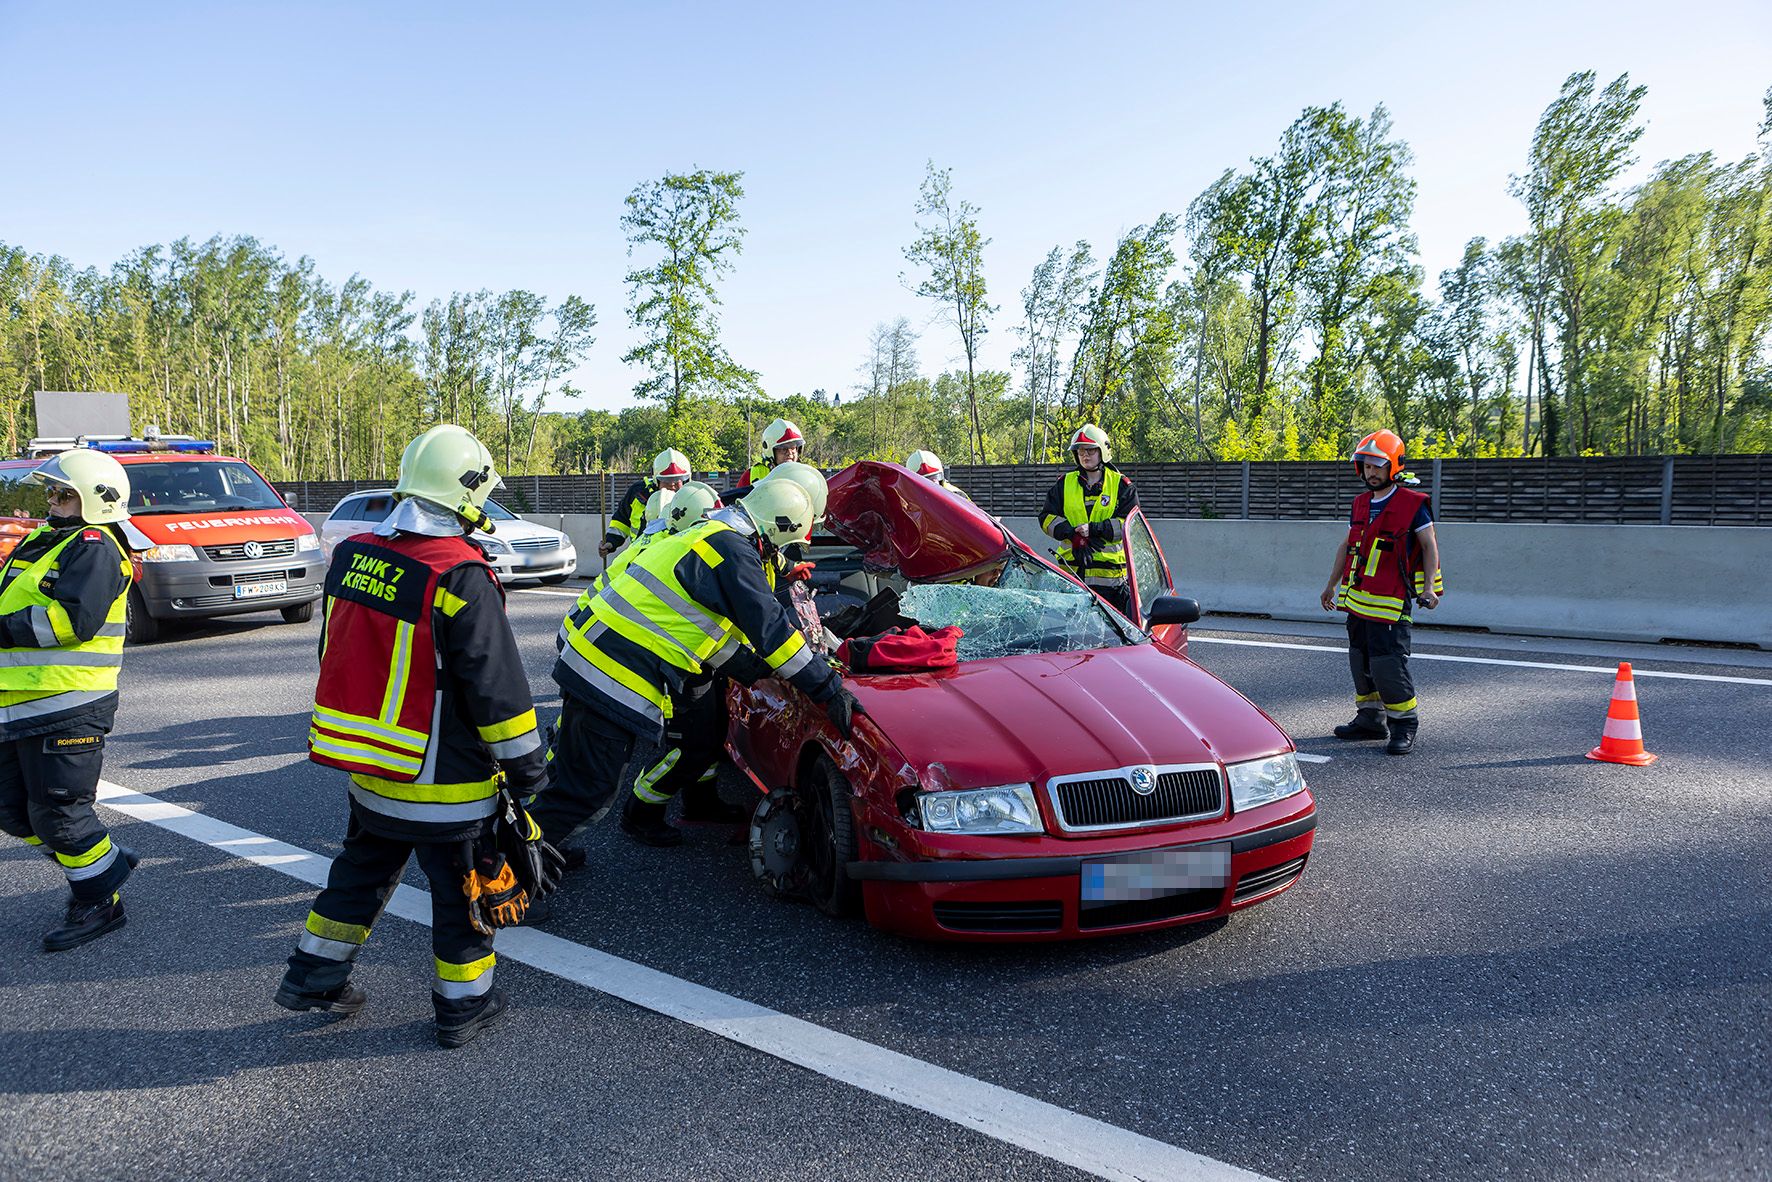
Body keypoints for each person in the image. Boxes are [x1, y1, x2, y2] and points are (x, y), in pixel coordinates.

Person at [276, 424, 547, 1048]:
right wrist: (528, 769)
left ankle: (314, 975)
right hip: (444, 781)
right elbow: (497, 691)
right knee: (462, 894)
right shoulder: (461, 576)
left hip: (372, 766)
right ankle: (464, 1005)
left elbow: (335, 648)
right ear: (467, 494)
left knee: (361, 872)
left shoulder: (355, 554)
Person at [536, 478, 861, 853]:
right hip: (611, 673)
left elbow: (697, 631)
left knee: (574, 784)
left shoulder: (712, 535)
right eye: (784, 545)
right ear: (777, 529)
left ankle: (539, 849)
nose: (779, 554)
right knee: (587, 790)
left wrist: (754, 670)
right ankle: (504, 879)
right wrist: (827, 687)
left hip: (593, 659)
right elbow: (775, 635)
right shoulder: (734, 553)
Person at [0, 449, 140, 952]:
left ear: (96, 502)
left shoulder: (96, 547)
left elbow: (69, 623)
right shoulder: (46, 539)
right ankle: (104, 863)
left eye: (64, 494)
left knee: (60, 814)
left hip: (69, 702)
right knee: (13, 812)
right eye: (52, 493)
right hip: (20, 702)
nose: (52, 501)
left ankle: (100, 901)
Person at [1319, 429, 1444, 756]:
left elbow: (1429, 546)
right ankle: (1370, 719)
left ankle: (1404, 724)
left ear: (1394, 466)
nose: (1371, 472)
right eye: (1366, 466)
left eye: (1378, 465)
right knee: (1360, 660)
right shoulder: (1360, 503)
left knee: (1387, 664)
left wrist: (1430, 588)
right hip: (1357, 600)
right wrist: (1331, 584)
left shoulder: (1413, 505)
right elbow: (1347, 546)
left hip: (1392, 603)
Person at [1039, 424, 1139, 618]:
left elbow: (1129, 525)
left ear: (1103, 451)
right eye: (1081, 451)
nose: (1085, 455)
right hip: (1072, 576)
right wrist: (1070, 533)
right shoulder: (1063, 484)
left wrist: (1095, 530)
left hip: (1111, 582)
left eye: (1091, 450)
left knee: (1110, 639)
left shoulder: (1122, 485)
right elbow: (1046, 518)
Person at [600, 448, 690, 559]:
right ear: (657, 479)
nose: (672, 484)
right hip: (638, 558)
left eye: (677, 479)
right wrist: (610, 542)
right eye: (666, 480)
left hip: (675, 560)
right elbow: (621, 521)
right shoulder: (638, 493)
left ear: (686, 480)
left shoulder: (694, 500)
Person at [734, 418, 803, 489]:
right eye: (783, 448)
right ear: (770, 451)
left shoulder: (806, 474)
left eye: (793, 447)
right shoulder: (750, 475)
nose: (789, 453)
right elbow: (736, 499)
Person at [903, 449, 969, 499]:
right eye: (922, 483)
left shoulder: (958, 497)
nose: (928, 488)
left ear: (940, 479)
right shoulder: (907, 501)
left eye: (932, 481)